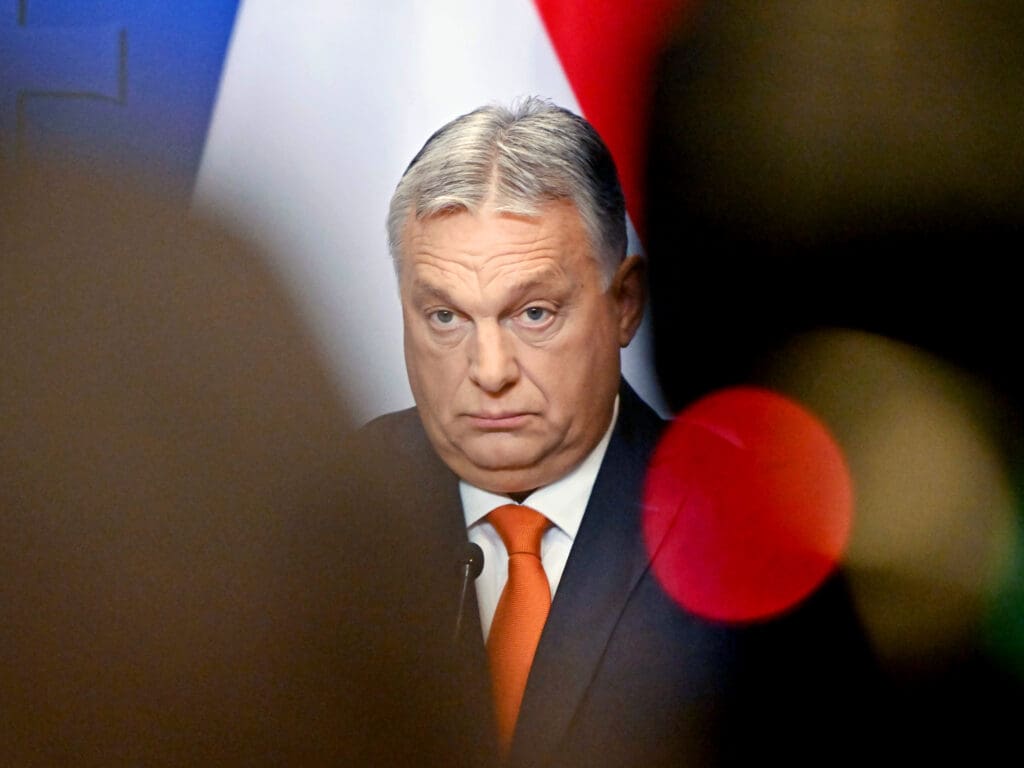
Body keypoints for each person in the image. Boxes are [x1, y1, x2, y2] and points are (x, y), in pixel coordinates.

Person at [282, 97, 882, 768]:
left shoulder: (749, 524)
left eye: (533, 313)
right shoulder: (330, 511)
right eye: (445, 318)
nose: (489, 371)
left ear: (624, 304)